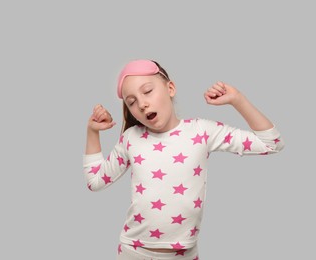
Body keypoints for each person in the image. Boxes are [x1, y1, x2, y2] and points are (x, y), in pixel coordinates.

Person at [83, 59, 284, 260]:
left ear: (170, 88)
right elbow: (95, 182)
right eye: (132, 102)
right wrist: (92, 131)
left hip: (185, 254)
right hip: (133, 252)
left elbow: (271, 143)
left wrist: (237, 100)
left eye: (147, 91)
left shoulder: (201, 131)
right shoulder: (131, 139)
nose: (142, 104)